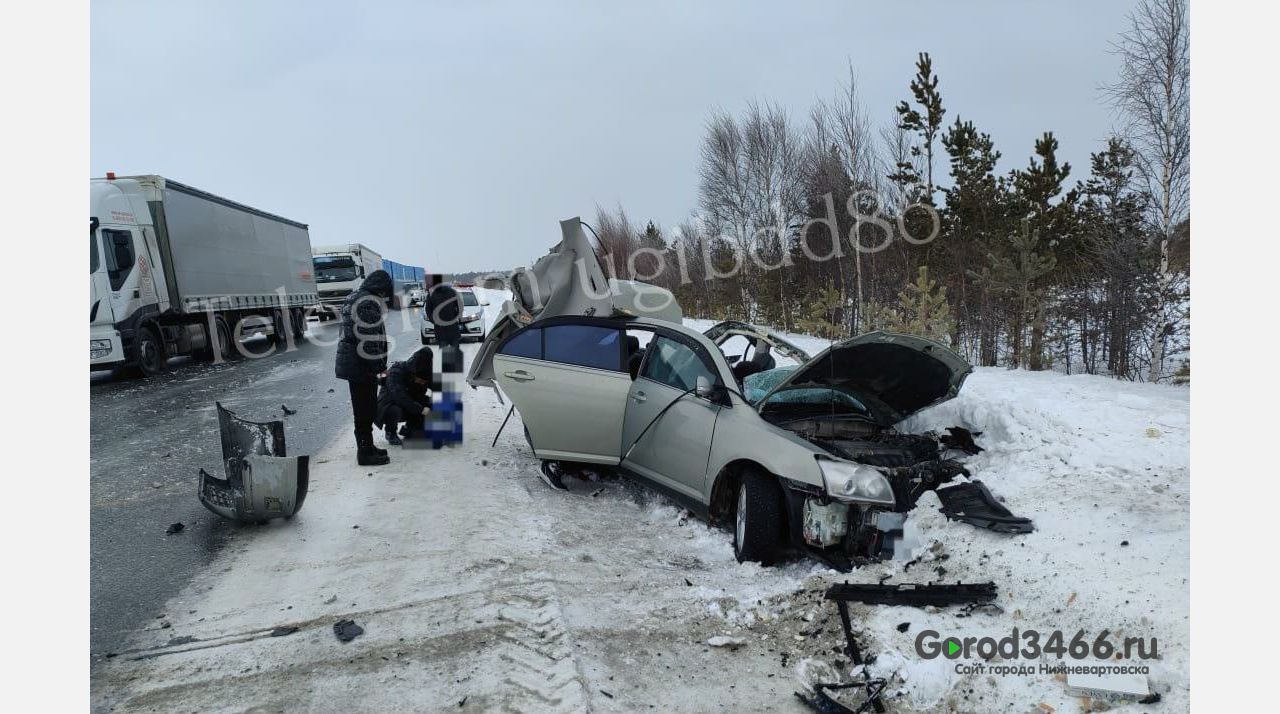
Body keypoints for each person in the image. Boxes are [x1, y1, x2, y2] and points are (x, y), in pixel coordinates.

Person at [334, 269, 394, 466]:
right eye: (386, 292)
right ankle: (365, 452)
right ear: (381, 288)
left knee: (364, 408)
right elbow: (368, 340)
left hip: (354, 363)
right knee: (365, 409)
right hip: (360, 365)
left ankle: (367, 446)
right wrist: (380, 367)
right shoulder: (367, 301)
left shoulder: (355, 296)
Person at [376, 347, 433, 445]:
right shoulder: (396, 371)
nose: (423, 383)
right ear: (415, 374)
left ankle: (410, 429)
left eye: (425, 381)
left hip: (409, 405)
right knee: (395, 410)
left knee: (430, 404)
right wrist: (422, 410)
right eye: (421, 380)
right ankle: (390, 432)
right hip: (388, 405)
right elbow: (400, 398)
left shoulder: (425, 373)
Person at [425, 282, 463, 352]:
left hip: (442, 328)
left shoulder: (432, 294)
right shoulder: (452, 292)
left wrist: (433, 319)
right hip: (450, 327)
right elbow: (459, 306)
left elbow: (428, 310)